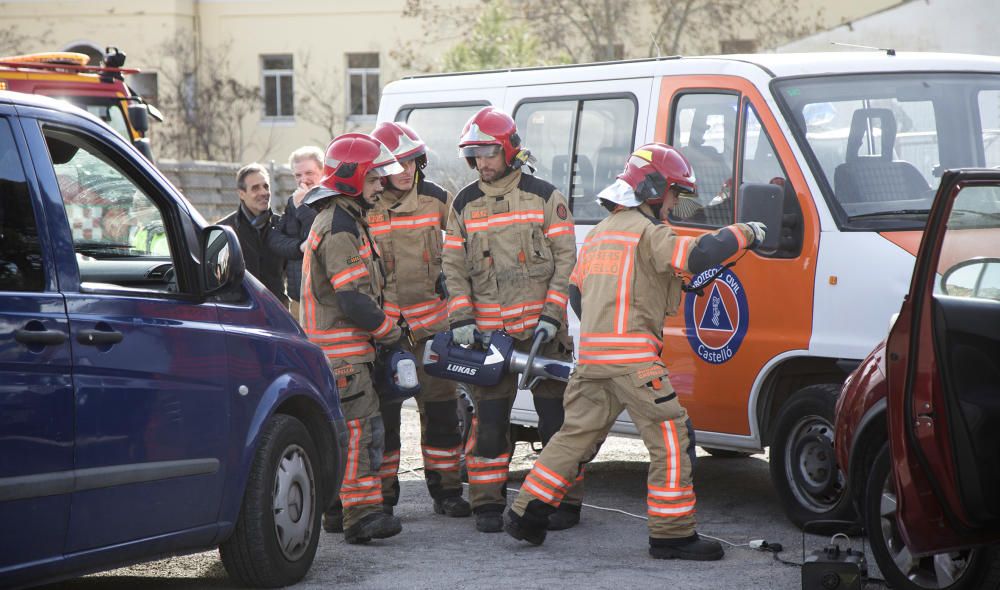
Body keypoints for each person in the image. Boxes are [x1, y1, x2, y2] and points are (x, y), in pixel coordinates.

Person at [503, 143, 767, 561]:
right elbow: (700, 255)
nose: (675, 205)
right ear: (655, 189)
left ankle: (525, 516)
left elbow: (576, 293)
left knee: (573, 438)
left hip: (591, 361)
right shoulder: (650, 233)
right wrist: (747, 232)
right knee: (672, 438)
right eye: (675, 195)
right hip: (636, 364)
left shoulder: (600, 233)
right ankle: (672, 534)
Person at [443, 106, 582, 534]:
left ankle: (563, 503)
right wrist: (462, 317)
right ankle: (487, 504)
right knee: (490, 424)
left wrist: (553, 315)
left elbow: (566, 262)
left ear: (507, 150)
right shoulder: (464, 203)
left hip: (544, 335)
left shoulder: (544, 195)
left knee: (556, 423)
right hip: (489, 338)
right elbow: (453, 267)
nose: (481, 163)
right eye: (474, 155)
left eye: (487, 153)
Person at [299, 133, 405, 544]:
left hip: (341, 350)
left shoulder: (347, 217)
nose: (381, 185)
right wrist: (390, 333)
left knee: (348, 430)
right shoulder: (341, 225)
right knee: (361, 428)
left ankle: (337, 511)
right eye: (375, 178)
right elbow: (352, 298)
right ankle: (361, 517)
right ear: (352, 177)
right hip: (341, 352)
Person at [366, 122, 472, 519]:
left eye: (412, 161)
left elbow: (466, 243)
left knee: (443, 414)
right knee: (386, 420)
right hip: (385, 335)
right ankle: (384, 497)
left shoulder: (437, 199)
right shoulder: (365, 203)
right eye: (397, 163)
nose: (407, 171)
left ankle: (446, 492)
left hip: (431, 331)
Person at [267, 146, 322, 322]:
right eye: (298, 175)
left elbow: (320, 236)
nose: (303, 180)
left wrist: (302, 208)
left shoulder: (331, 199)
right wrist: (299, 247)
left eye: (309, 173)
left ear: (323, 171)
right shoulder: (294, 200)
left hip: (323, 299)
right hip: (297, 296)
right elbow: (274, 240)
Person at [218, 163, 286, 304]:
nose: (263, 192)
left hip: (277, 312)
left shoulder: (283, 226)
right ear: (241, 194)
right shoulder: (224, 230)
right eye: (255, 188)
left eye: (266, 186)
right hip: (241, 312)